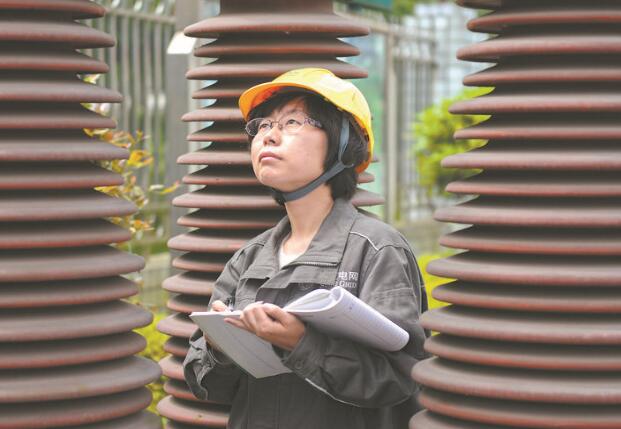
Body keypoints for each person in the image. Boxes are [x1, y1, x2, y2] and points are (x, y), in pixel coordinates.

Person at [183, 68, 429, 429]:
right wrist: (219, 347)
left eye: (292, 122)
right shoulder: (248, 259)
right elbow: (206, 386)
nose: (269, 136)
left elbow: (403, 377)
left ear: (343, 144)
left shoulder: (377, 250)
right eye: (262, 126)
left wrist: (302, 344)